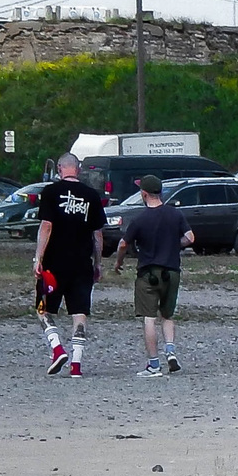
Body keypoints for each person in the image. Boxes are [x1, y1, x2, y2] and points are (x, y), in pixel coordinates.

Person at [108, 175, 196, 375]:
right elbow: (190, 237)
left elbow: (123, 243)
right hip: (172, 271)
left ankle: (154, 365)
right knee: (167, 315)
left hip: (148, 273)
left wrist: (118, 261)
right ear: (161, 192)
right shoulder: (175, 215)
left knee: (149, 317)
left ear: (144, 194)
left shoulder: (140, 219)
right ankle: (171, 351)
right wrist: (175, 245)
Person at [32, 150, 104, 377]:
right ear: (78, 170)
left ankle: (57, 348)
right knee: (79, 311)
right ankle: (76, 364)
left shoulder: (51, 192)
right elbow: (98, 235)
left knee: (43, 308)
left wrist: (38, 258)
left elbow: (46, 226)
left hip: (54, 263)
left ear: (60, 169)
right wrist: (97, 263)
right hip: (82, 264)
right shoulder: (91, 195)